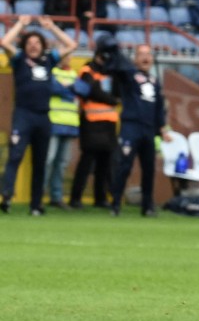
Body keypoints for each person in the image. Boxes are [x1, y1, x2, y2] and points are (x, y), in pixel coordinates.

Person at [0, 15, 77, 215]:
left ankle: (36, 204)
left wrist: (52, 27)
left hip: (43, 117)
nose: (33, 46)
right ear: (25, 46)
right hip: (23, 114)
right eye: (30, 43)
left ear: (43, 46)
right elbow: (5, 42)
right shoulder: (19, 61)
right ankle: (7, 196)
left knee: (40, 161)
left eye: (37, 43)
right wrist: (20, 25)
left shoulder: (49, 60)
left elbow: (71, 44)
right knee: (15, 155)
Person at [108, 43, 171, 217]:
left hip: (148, 130)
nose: (145, 57)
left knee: (149, 168)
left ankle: (147, 205)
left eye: (148, 54)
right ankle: (115, 203)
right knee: (124, 166)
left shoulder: (154, 81)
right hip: (131, 127)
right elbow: (119, 69)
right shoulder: (129, 76)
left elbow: (159, 108)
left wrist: (163, 129)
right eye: (141, 54)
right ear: (135, 59)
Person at [68, 36, 120, 209]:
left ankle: (101, 198)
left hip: (109, 122)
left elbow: (119, 93)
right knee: (86, 161)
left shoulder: (112, 72)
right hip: (90, 121)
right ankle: (75, 198)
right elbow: (90, 91)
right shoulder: (87, 69)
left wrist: (113, 99)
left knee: (105, 163)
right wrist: (111, 100)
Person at [44, 52, 79, 208]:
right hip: (53, 122)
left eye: (70, 55)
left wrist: (66, 88)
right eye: (66, 55)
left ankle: (56, 196)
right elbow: (52, 88)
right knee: (48, 160)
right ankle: (39, 193)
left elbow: (84, 89)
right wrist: (70, 90)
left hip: (70, 124)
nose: (68, 58)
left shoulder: (73, 73)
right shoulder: (51, 71)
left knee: (62, 162)